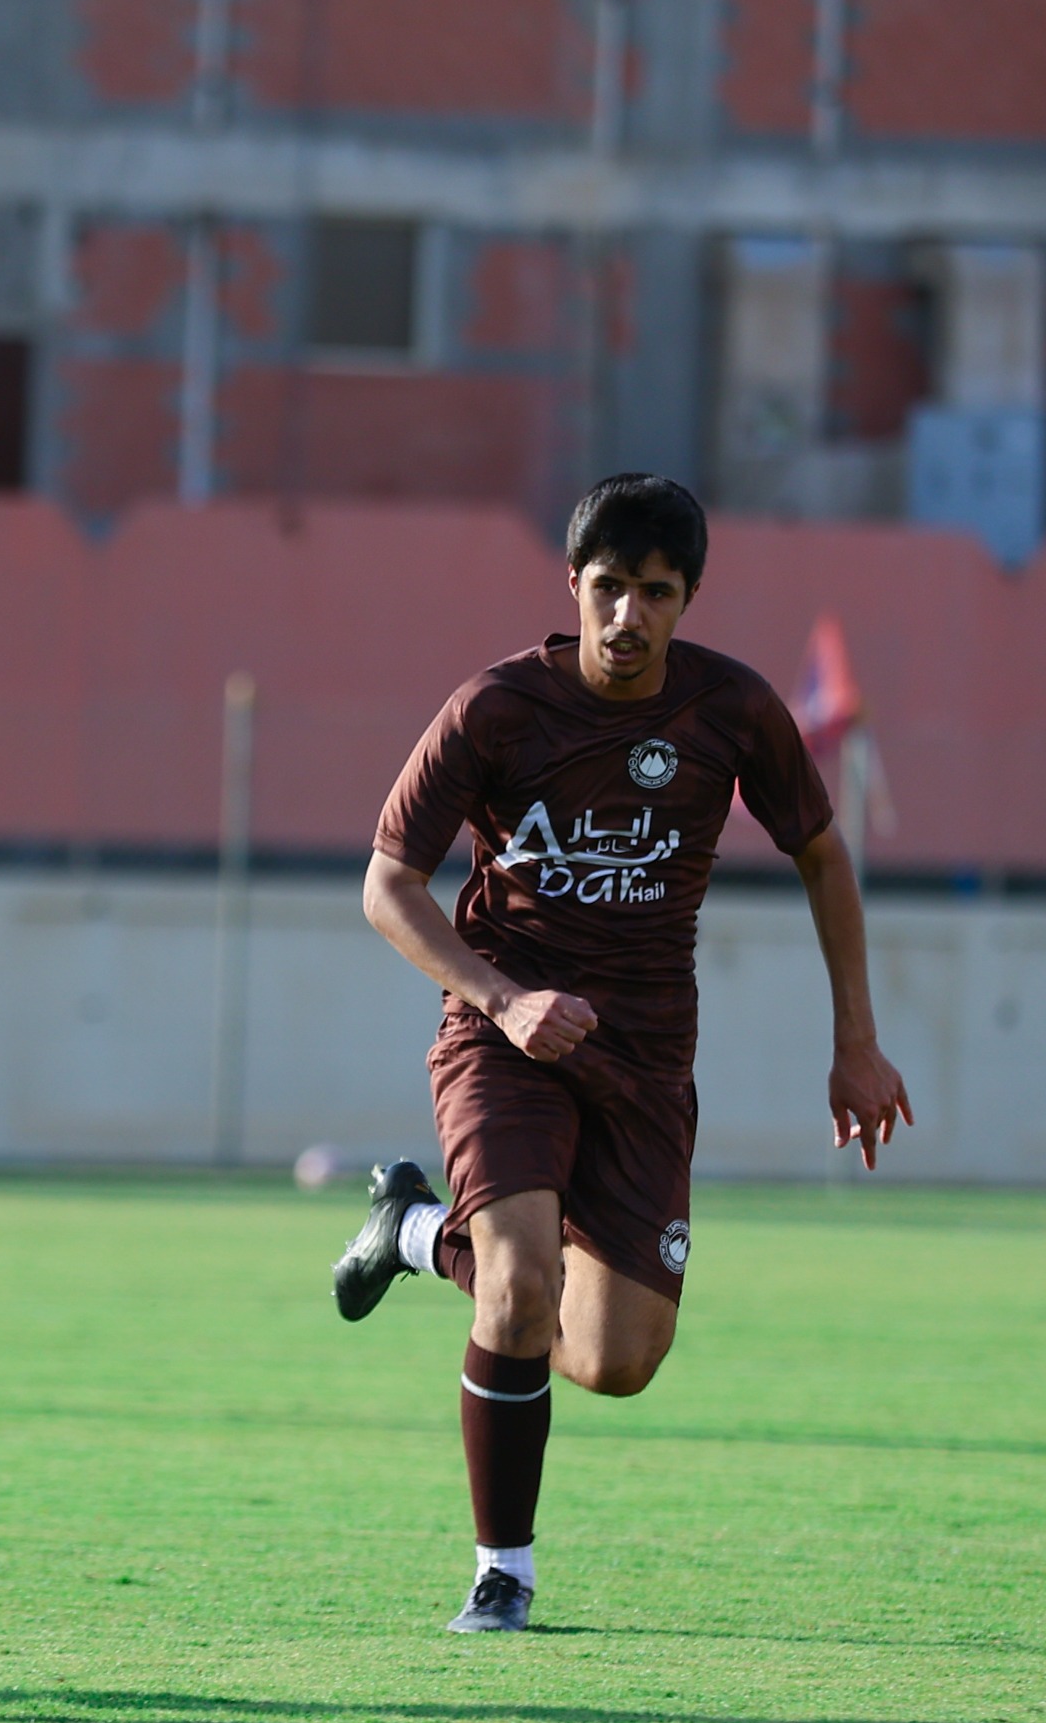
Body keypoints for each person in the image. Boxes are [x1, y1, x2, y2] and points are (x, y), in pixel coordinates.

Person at [330, 474, 911, 1634]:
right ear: (574, 584)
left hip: (647, 1052)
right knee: (520, 1282)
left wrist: (858, 1040)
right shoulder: (494, 709)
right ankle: (505, 1571)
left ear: (687, 597)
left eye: (655, 592)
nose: (627, 616)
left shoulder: (733, 711)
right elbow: (388, 886)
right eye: (608, 588)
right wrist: (502, 1000)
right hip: (504, 1035)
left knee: (614, 1358)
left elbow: (823, 856)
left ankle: (406, 1227)